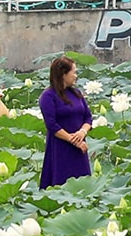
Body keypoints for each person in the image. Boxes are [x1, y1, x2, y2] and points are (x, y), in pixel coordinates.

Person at [39, 56, 92, 189]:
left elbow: (88, 117)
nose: (76, 76)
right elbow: (51, 124)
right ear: (63, 74)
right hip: (60, 148)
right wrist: (74, 140)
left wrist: (82, 132)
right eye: (74, 72)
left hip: (80, 148)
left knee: (83, 187)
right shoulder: (48, 96)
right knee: (61, 186)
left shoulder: (77, 93)